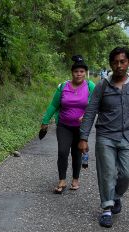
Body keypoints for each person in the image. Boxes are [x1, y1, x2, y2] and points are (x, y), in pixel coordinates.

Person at [78, 46, 129, 228]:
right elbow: (91, 111)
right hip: (105, 136)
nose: (119, 65)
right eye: (115, 62)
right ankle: (106, 209)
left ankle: (116, 196)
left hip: (127, 137)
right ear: (110, 64)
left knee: (128, 172)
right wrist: (83, 137)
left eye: (122, 61)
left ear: (128, 63)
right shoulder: (103, 86)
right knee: (107, 173)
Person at [40, 55, 96, 193]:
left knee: (77, 153)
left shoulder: (90, 86)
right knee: (62, 151)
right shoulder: (63, 86)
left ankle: (75, 179)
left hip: (81, 127)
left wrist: (86, 115)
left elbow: (94, 105)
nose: (79, 74)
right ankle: (62, 180)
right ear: (72, 72)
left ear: (85, 73)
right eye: (76, 71)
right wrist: (45, 121)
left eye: (82, 71)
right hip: (64, 125)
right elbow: (54, 105)